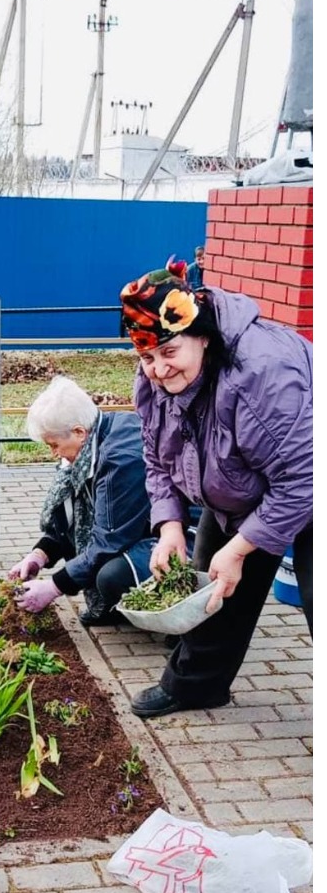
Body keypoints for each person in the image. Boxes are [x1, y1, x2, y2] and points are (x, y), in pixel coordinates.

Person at [120, 259, 312, 719]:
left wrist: (243, 547)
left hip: (310, 471)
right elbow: (156, 457)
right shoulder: (152, 384)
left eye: (169, 352)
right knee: (213, 578)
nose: (159, 370)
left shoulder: (262, 375)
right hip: (244, 485)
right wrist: (168, 526)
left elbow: (303, 479)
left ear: (202, 335)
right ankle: (197, 686)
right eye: (146, 357)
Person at [9, 376, 156, 626]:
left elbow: (109, 541)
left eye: (54, 444)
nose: (53, 453)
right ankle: (114, 602)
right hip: (140, 528)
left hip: (183, 539)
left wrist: (55, 587)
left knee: (114, 576)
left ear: (79, 432)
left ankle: (183, 620)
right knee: (98, 563)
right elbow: (71, 516)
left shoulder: (121, 460)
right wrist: (40, 554)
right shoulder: (94, 442)